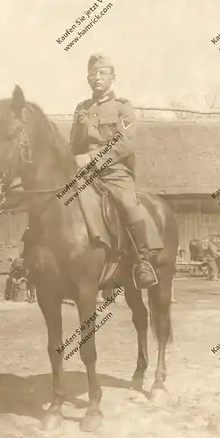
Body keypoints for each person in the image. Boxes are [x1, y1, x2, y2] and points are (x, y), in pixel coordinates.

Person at [69, 53, 162, 289]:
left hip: (114, 172)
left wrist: (91, 157)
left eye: (102, 73)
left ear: (113, 77)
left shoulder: (123, 107)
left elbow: (124, 144)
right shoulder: (82, 108)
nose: (96, 78)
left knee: (129, 205)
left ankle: (143, 262)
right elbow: (74, 144)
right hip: (84, 174)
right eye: (92, 74)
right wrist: (79, 140)